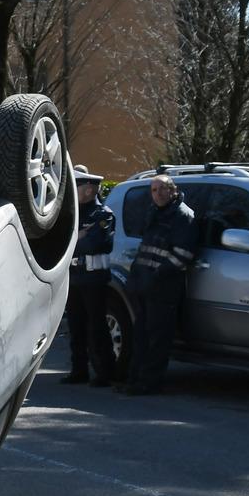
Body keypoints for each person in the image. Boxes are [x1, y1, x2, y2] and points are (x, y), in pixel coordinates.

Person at [122, 173, 199, 396]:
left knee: (158, 339)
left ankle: (149, 383)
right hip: (144, 285)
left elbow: (183, 254)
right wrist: (138, 277)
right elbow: (146, 247)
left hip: (164, 288)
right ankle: (134, 379)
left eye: (163, 189)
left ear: (173, 190)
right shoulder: (155, 212)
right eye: (154, 190)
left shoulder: (183, 216)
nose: (158, 194)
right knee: (141, 335)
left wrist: (157, 275)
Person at [61, 165, 117, 387]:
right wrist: (78, 237)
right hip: (74, 277)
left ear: (89, 189)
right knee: (75, 326)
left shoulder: (103, 215)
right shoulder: (73, 214)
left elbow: (94, 244)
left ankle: (105, 372)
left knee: (97, 326)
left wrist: (73, 240)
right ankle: (79, 370)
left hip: (94, 279)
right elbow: (61, 245)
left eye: (77, 187)